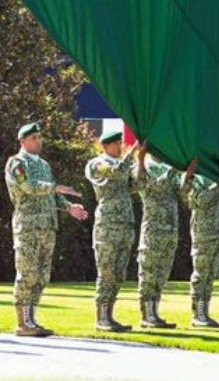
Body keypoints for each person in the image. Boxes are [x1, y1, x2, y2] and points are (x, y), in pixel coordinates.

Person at [6, 122, 88, 337]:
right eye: (34, 138)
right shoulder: (16, 163)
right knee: (27, 273)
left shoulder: (44, 165)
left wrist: (69, 207)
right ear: (23, 141)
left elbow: (52, 195)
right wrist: (54, 187)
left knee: (42, 275)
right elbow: (28, 186)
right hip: (28, 227)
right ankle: (23, 323)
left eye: (40, 137)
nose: (39, 141)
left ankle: (32, 319)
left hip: (48, 227)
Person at [134, 144, 195, 329]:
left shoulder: (170, 168)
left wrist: (189, 174)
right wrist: (140, 159)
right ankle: (147, 315)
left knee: (162, 273)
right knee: (149, 273)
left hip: (170, 228)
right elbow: (142, 184)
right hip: (153, 229)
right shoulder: (144, 166)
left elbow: (182, 191)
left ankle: (155, 313)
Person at [84, 130, 137, 332]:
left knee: (119, 274)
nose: (120, 146)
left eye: (120, 143)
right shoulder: (97, 164)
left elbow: (136, 185)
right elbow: (116, 172)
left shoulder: (124, 165)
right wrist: (134, 151)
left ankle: (110, 315)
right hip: (107, 226)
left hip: (125, 224)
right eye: (116, 143)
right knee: (106, 272)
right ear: (105, 146)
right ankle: (101, 318)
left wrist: (140, 163)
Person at [185, 165, 219, 328]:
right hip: (204, 233)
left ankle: (205, 313)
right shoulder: (198, 178)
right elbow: (199, 201)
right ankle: (198, 315)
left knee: (210, 276)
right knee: (201, 275)